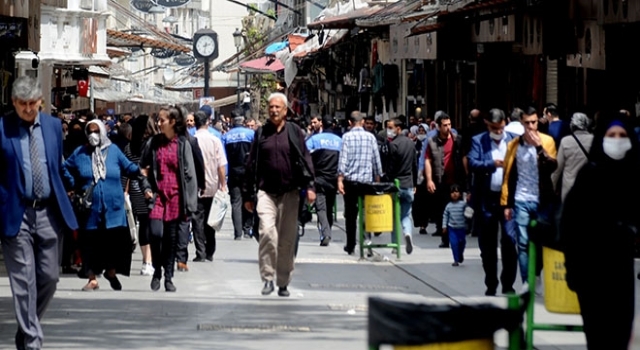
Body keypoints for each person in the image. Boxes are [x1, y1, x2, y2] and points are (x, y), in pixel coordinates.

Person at [0, 76, 78, 350]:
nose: (29, 109)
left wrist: (73, 182)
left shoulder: (53, 126)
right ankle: (33, 341)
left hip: (48, 213)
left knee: (50, 278)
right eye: (23, 104)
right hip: (16, 214)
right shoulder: (2, 128)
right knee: (24, 282)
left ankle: (26, 332)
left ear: (41, 102)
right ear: (14, 102)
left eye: (33, 103)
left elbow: (56, 166)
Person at [560, 113, 640, 350]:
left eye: (622, 136)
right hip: (591, 274)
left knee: (620, 334)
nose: (617, 140)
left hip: (621, 273)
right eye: (611, 135)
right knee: (598, 337)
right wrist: (573, 270)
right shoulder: (590, 176)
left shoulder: (634, 176)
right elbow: (570, 226)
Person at [242, 93, 315, 297]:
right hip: (266, 193)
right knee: (267, 233)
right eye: (271, 107)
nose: (273, 110)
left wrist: (310, 187)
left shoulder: (294, 131)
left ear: (285, 111)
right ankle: (267, 278)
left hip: (290, 194)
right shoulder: (261, 133)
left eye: (277, 107)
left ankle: (283, 281)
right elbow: (251, 164)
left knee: (286, 240)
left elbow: (305, 158)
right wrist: (247, 194)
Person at [63, 120, 142, 291]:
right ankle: (92, 278)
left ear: (103, 133)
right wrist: (72, 183)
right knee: (90, 244)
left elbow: (128, 167)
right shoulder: (80, 153)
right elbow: (64, 168)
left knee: (113, 244)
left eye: (96, 131)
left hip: (113, 208)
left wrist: (141, 172)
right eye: (90, 131)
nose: (93, 135)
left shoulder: (113, 151)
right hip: (90, 209)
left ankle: (111, 272)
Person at [139, 106, 204, 292]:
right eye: (158, 120)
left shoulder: (182, 144)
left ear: (173, 122)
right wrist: (146, 187)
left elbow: (190, 175)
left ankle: (167, 276)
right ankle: (157, 270)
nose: (158, 123)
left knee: (171, 239)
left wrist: (191, 202)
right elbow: (142, 168)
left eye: (162, 120)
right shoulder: (152, 143)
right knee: (156, 233)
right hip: (158, 196)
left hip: (176, 197)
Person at [501, 106, 557, 291]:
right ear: (521, 124)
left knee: (541, 242)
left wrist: (539, 147)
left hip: (542, 200)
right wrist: (507, 204)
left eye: (534, 122)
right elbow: (508, 175)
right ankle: (527, 282)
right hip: (521, 199)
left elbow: (552, 167)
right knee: (522, 243)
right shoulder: (514, 145)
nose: (532, 126)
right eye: (527, 123)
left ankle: (537, 272)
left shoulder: (547, 141)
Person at [467, 108, 518, 295]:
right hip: (486, 200)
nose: (498, 131)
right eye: (494, 128)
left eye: (501, 127)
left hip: (507, 201)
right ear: (488, 125)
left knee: (509, 240)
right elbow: (472, 163)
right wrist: (492, 164)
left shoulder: (514, 140)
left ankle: (508, 283)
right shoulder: (479, 141)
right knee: (487, 245)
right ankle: (491, 283)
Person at [337, 111, 383, 255]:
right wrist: (378, 177)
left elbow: (343, 159)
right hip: (366, 182)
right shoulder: (370, 137)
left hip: (350, 182)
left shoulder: (346, 137)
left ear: (350, 123)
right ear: (362, 122)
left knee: (350, 215)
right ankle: (367, 243)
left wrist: (340, 179)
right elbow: (376, 159)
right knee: (366, 213)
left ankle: (350, 245)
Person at [424, 112, 466, 248]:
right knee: (442, 211)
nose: (448, 128)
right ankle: (445, 238)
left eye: (449, 125)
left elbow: (464, 158)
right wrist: (429, 180)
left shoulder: (457, 140)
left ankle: (458, 237)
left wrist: (467, 175)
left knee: (458, 211)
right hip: (440, 181)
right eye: (444, 125)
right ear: (438, 126)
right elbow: (427, 161)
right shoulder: (432, 142)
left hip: (456, 182)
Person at [125, 115, 159, 276]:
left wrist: (124, 190)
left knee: (143, 223)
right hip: (151, 187)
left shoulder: (129, 147)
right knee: (153, 225)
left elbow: (126, 171)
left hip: (135, 189)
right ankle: (150, 261)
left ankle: (146, 260)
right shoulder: (155, 144)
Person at [192, 110, 227, 261]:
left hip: (196, 186)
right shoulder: (215, 140)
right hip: (213, 184)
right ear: (207, 122)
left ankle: (200, 251)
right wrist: (223, 183)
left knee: (197, 219)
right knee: (211, 218)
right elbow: (221, 165)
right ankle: (210, 251)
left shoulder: (192, 140)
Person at [306, 115, 342, 246]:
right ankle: (328, 231)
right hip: (333, 178)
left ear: (322, 124)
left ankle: (325, 233)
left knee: (320, 207)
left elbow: (304, 154)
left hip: (319, 177)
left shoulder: (314, 139)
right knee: (329, 206)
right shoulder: (339, 141)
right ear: (333, 125)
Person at [386, 118, 416, 254]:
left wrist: (388, 181)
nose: (389, 130)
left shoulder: (393, 145)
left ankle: (394, 244)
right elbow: (414, 166)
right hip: (408, 184)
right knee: (406, 214)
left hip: (396, 184)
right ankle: (408, 234)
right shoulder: (411, 143)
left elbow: (391, 167)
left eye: (391, 127)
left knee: (394, 216)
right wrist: (415, 183)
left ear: (398, 128)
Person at [223, 113, 255, 240]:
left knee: (236, 202)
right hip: (248, 173)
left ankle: (238, 233)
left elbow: (224, 156)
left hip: (233, 172)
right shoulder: (251, 134)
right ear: (243, 122)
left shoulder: (226, 136)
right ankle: (247, 229)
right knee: (248, 199)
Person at [551, 112, 593, 201]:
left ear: (572, 125)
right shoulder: (594, 140)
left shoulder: (565, 141)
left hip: (569, 188)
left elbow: (558, 168)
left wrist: (553, 187)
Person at [442, 184, 467, 266]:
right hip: (452, 228)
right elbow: (445, 216)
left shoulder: (463, 204)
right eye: (452, 192)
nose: (454, 194)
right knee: (454, 244)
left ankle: (460, 254)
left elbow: (467, 213)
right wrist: (444, 226)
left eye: (456, 191)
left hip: (461, 228)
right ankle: (456, 260)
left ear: (460, 194)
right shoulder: (448, 206)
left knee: (462, 243)